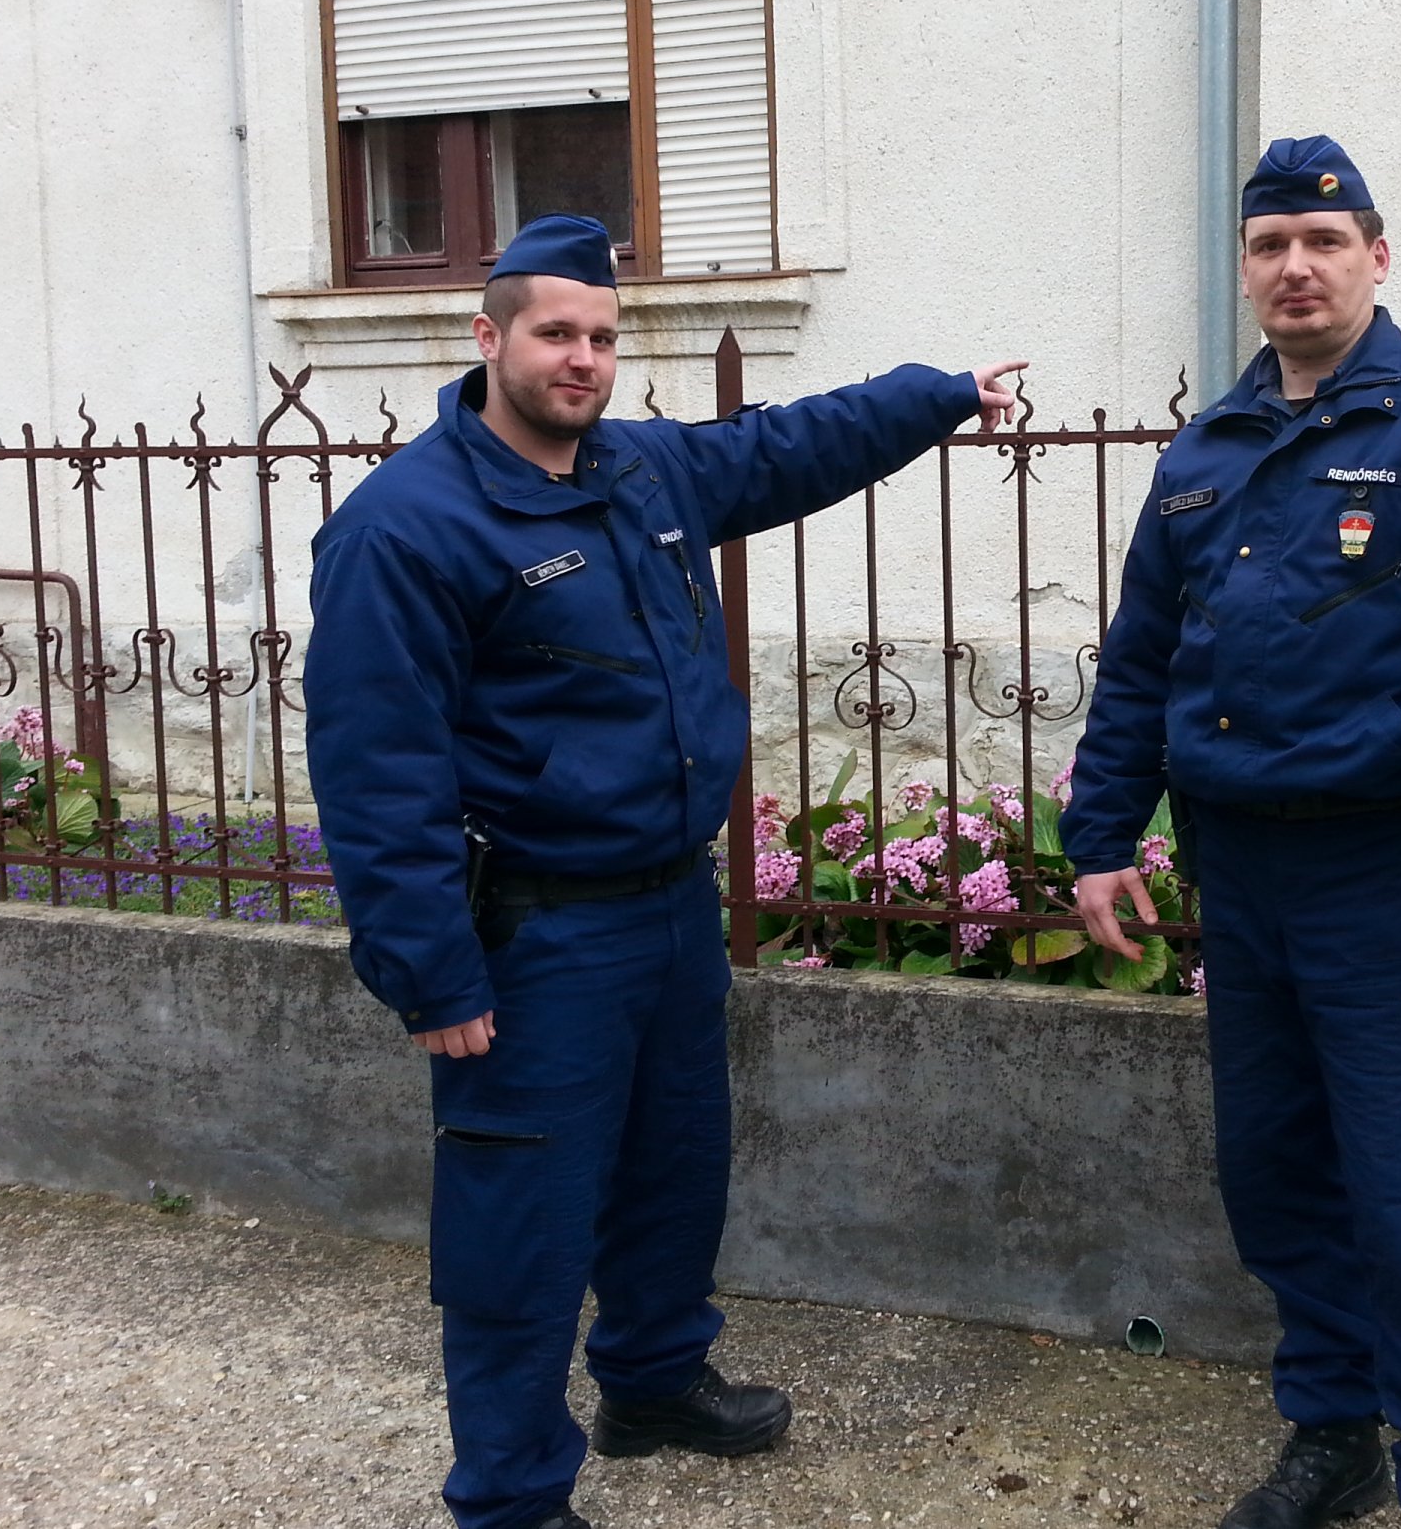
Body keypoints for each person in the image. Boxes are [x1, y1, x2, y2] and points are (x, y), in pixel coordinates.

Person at [304, 212, 1024, 1529]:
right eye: (555, 333)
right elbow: (375, 772)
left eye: (600, 336)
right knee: (522, 1224)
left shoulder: (642, 470)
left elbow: (787, 446)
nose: (582, 358)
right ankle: (512, 1497)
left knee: (674, 1170)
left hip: (671, 907)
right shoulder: (407, 527)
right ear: (488, 338)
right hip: (536, 935)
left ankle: (651, 1382)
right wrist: (430, 973)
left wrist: (938, 396)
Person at [1060, 138, 1401, 1529]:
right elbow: (1144, 660)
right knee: (1277, 1175)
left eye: (1325, 241)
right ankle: (1333, 1434)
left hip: (1388, 872)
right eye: (1270, 246)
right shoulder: (1206, 451)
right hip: (1243, 872)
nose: (1295, 267)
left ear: (1377, 256)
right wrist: (1102, 834)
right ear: (1245, 270)